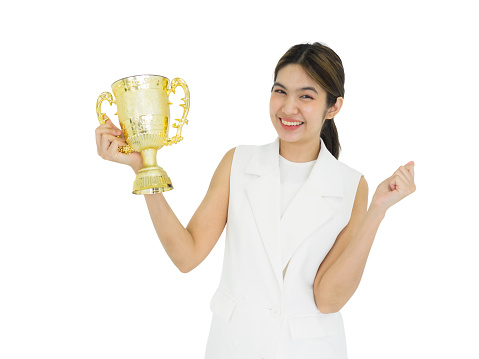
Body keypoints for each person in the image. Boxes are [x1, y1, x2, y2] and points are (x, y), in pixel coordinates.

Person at [95, 42, 416, 359]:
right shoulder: (238, 162)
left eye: (306, 95)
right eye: (280, 91)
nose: (288, 107)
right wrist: (144, 167)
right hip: (236, 346)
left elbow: (328, 299)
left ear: (333, 107)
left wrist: (377, 211)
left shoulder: (350, 185)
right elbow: (186, 256)